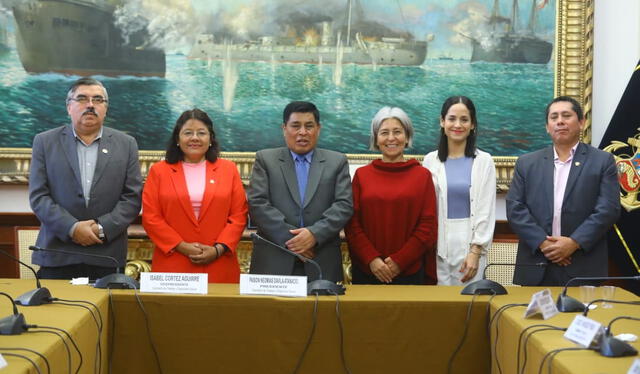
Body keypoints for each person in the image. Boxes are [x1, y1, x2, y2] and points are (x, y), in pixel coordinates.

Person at [29, 77, 142, 280]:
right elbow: (39, 197)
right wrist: (72, 228)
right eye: (82, 99)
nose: (90, 105)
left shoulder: (127, 144)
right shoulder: (45, 142)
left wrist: (101, 228)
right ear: (69, 107)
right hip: (58, 254)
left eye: (98, 100)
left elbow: (132, 198)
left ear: (106, 108)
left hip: (107, 255)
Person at [506, 96, 620, 286]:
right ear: (547, 126)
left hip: (582, 263)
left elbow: (608, 210)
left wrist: (573, 243)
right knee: (533, 316)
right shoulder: (527, 163)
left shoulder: (602, 161)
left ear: (581, 122)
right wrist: (544, 243)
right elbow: (515, 209)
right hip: (537, 263)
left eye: (566, 115)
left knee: (581, 316)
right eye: (554, 117)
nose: (560, 121)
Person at [248, 101, 353, 282]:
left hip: (321, 258)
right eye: (295, 126)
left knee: (323, 311)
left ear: (318, 129)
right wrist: (295, 242)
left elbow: (344, 205)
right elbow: (258, 203)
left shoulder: (337, 161)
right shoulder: (266, 159)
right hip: (274, 260)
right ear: (284, 128)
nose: (302, 132)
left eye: (309, 126)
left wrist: (314, 235)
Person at [142, 109, 248, 283]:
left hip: (219, 263)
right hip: (173, 264)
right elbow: (151, 218)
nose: (195, 138)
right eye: (188, 133)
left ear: (211, 138)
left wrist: (217, 250)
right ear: (177, 139)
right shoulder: (159, 171)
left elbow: (238, 216)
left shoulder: (228, 170)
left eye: (201, 133)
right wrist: (183, 247)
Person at [345, 107, 437, 285]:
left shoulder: (422, 176)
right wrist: (373, 260)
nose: (391, 138)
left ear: (407, 136)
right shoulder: (362, 176)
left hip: (410, 271)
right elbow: (352, 224)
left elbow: (428, 226)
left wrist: (399, 261)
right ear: (376, 138)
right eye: (384, 132)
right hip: (368, 271)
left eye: (397, 132)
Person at [423, 96, 496, 285]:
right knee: (440, 307)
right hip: (438, 245)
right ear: (442, 121)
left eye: (464, 120)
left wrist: (475, 252)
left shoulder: (484, 161)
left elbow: (485, 210)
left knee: (469, 305)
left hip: (470, 245)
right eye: (452, 118)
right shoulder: (430, 160)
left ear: (472, 124)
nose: (457, 125)